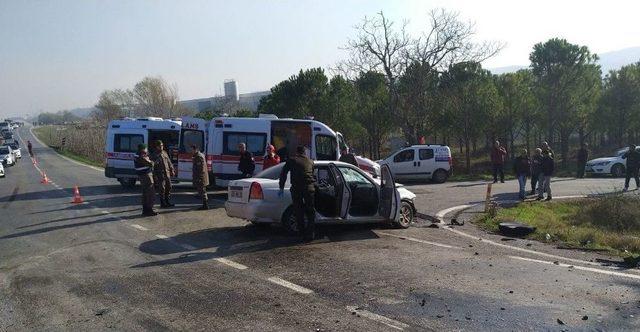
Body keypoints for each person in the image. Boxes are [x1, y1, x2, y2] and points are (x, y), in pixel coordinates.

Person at [279, 145, 317, 241]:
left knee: (298, 211)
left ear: (297, 152)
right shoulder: (311, 161)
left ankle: (302, 233)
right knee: (311, 211)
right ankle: (310, 233)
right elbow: (313, 175)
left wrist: (281, 187)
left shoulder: (292, 160)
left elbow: (283, 174)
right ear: (304, 152)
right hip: (309, 188)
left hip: (297, 189)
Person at [134, 144, 157, 216]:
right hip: (146, 176)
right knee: (150, 193)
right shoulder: (141, 156)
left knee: (145, 194)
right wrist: (152, 162)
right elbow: (150, 164)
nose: (147, 151)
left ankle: (145, 210)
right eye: (146, 149)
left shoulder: (137, 154)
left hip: (143, 176)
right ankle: (149, 210)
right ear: (142, 149)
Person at [151, 140, 175, 208]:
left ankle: (167, 201)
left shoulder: (164, 153)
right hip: (160, 175)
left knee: (169, 187)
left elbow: (169, 162)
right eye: (160, 146)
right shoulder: (154, 155)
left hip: (167, 174)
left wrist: (172, 170)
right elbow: (152, 166)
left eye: (162, 145)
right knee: (162, 189)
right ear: (157, 147)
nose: (162, 147)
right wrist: (154, 176)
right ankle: (162, 203)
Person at [192, 144, 210, 210]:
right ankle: (205, 205)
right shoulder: (200, 155)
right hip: (201, 177)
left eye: (192, 150)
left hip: (201, 177)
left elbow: (201, 169)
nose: (192, 151)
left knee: (202, 191)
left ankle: (205, 205)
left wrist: (199, 178)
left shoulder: (199, 156)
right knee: (202, 191)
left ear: (196, 149)